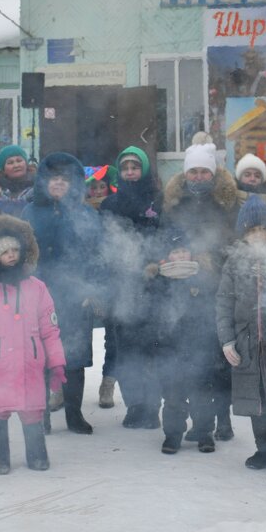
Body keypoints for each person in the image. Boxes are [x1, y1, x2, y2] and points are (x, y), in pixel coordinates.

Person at [0, 215, 66, 474]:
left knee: (33, 412)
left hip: (30, 365)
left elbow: (50, 330)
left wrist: (56, 363)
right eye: (4, 251)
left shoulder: (38, 288)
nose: (11, 255)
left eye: (15, 250)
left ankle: (37, 455)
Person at [22, 152, 108, 435]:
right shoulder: (30, 213)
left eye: (64, 179)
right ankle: (41, 415)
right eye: (53, 178)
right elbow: (19, 255)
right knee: (40, 358)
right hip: (38, 297)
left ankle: (74, 414)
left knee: (75, 357)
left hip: (76, 296)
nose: (58, 183)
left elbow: (97, 255)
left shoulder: (86, 214)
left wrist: (91, 288)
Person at [164, 139, 240, 441]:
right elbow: (163, 237)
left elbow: (234, 245)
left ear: (213, 174)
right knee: (190, 358)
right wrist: (168, 257)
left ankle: (222, 419)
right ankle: (196, 420)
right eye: (192, 171)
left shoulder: (227, 204)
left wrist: (212, 260)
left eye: (203, 172)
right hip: (181, 288)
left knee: (218, 360)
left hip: (217, 288)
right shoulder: (173, 204)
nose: (198, 177)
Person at [217, 195, 266, 470]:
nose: (257, 236)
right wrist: (227, 340)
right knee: (256, 402)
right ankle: (265, 450)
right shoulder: (234, 263)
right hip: (247, 345)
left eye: (262, 230)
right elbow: (224, 302)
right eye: (251, 231)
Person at [101, 146, 164, 424]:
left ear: (145, 170)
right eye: (125, 167)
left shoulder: (159, 202)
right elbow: (102, 247)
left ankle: (151, 406)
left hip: (154, 288)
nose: (129, 172)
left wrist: (156, 264)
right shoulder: (109, 205)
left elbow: (167, 238)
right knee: (126, 349)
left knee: (150, 348)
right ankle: (134, 405)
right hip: (121, 287)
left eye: (135, 167)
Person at [150, 230, 220, 455]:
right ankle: (173, 434)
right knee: (172, 395)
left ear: (191, 254)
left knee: (202, 393)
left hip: (199, 345)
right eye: (175, 252)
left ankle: (204, 432)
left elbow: (213, 311)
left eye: (184, 251)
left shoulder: (204, 277)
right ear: (167, 256)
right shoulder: (159, 280)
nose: (180, 256)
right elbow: (151, 314)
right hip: (169, 347)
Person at [234, 153, 266, 239]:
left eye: (257, 176)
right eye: (247, 175)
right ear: (239, 178)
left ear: (262, 179)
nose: (252, 178)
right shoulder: (230, 200)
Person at [0, 145, 36, 217]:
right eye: (10, 163)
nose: (16, 165)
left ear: (26, 164)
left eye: (19, 161)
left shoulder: (38, 188)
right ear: (3, 169)